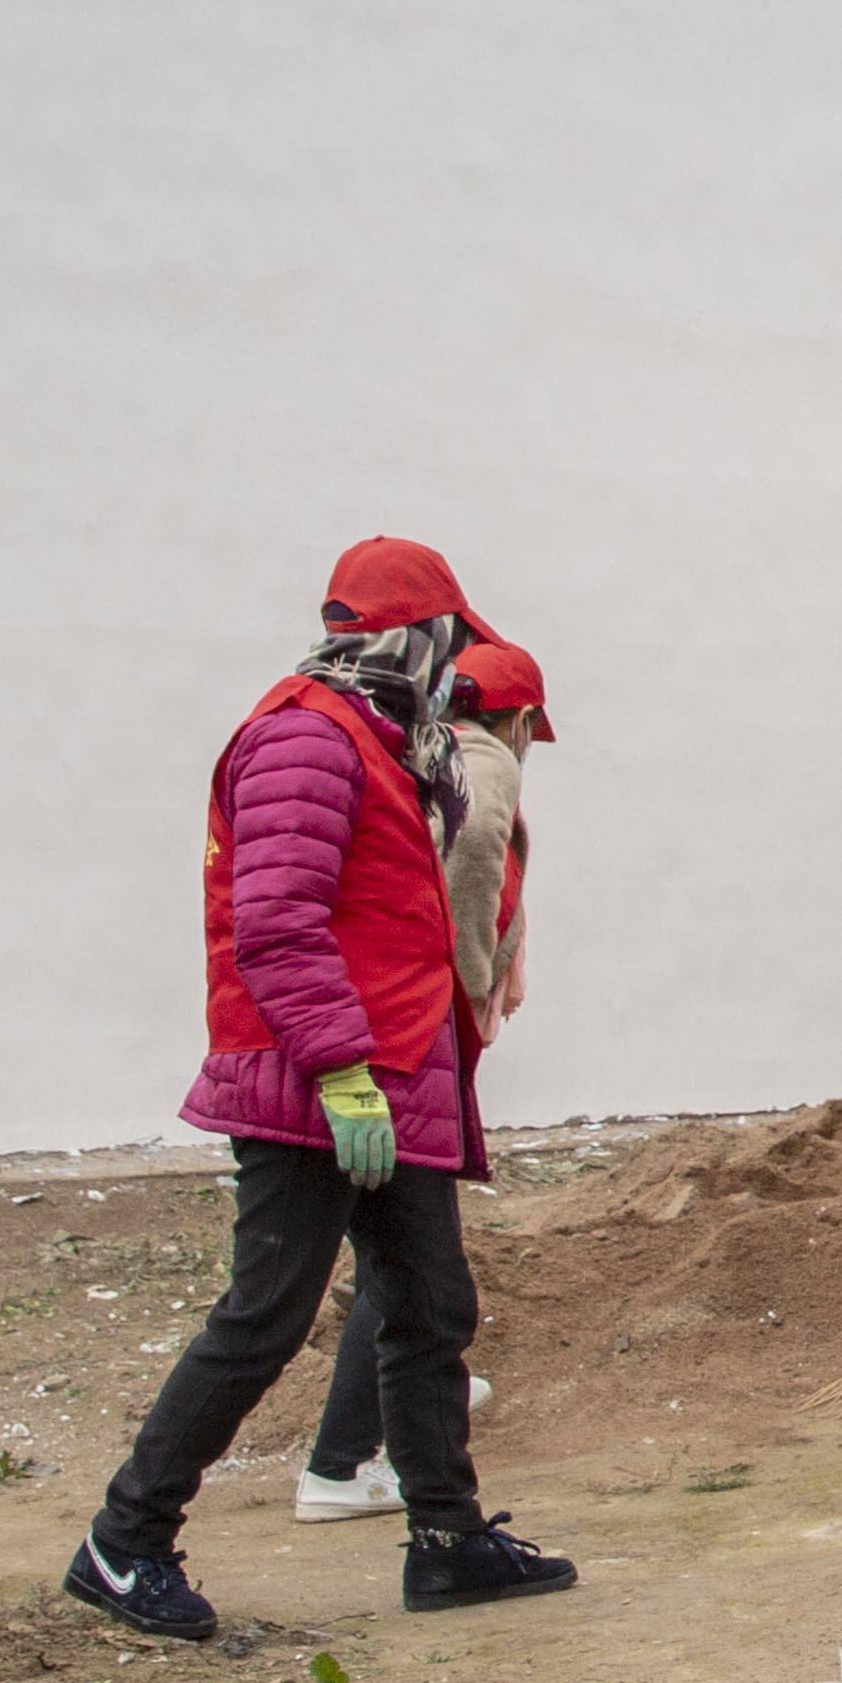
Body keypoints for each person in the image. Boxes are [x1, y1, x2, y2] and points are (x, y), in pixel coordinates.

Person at [69, 541, 576, 1641]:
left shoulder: (378, 739)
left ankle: (447, 1539)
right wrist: (342, 1071)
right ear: (416, 636)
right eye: (451, 641)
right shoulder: (306, 735)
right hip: (318, 1081)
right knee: (265, 1317)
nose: (456, 668)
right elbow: (279, 922)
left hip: (389, 1075)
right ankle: (124, 1540)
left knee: (431, 1303)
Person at [292, 634, 544, 1521]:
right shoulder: (478, 761)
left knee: (401, 1267)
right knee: (407, 1274)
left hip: (379, 1036)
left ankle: (369, 1450)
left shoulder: (417, 749)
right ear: (515, 719)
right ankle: (346, 1461)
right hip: (404, 1041)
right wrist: (469, 988)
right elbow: (474, 861)